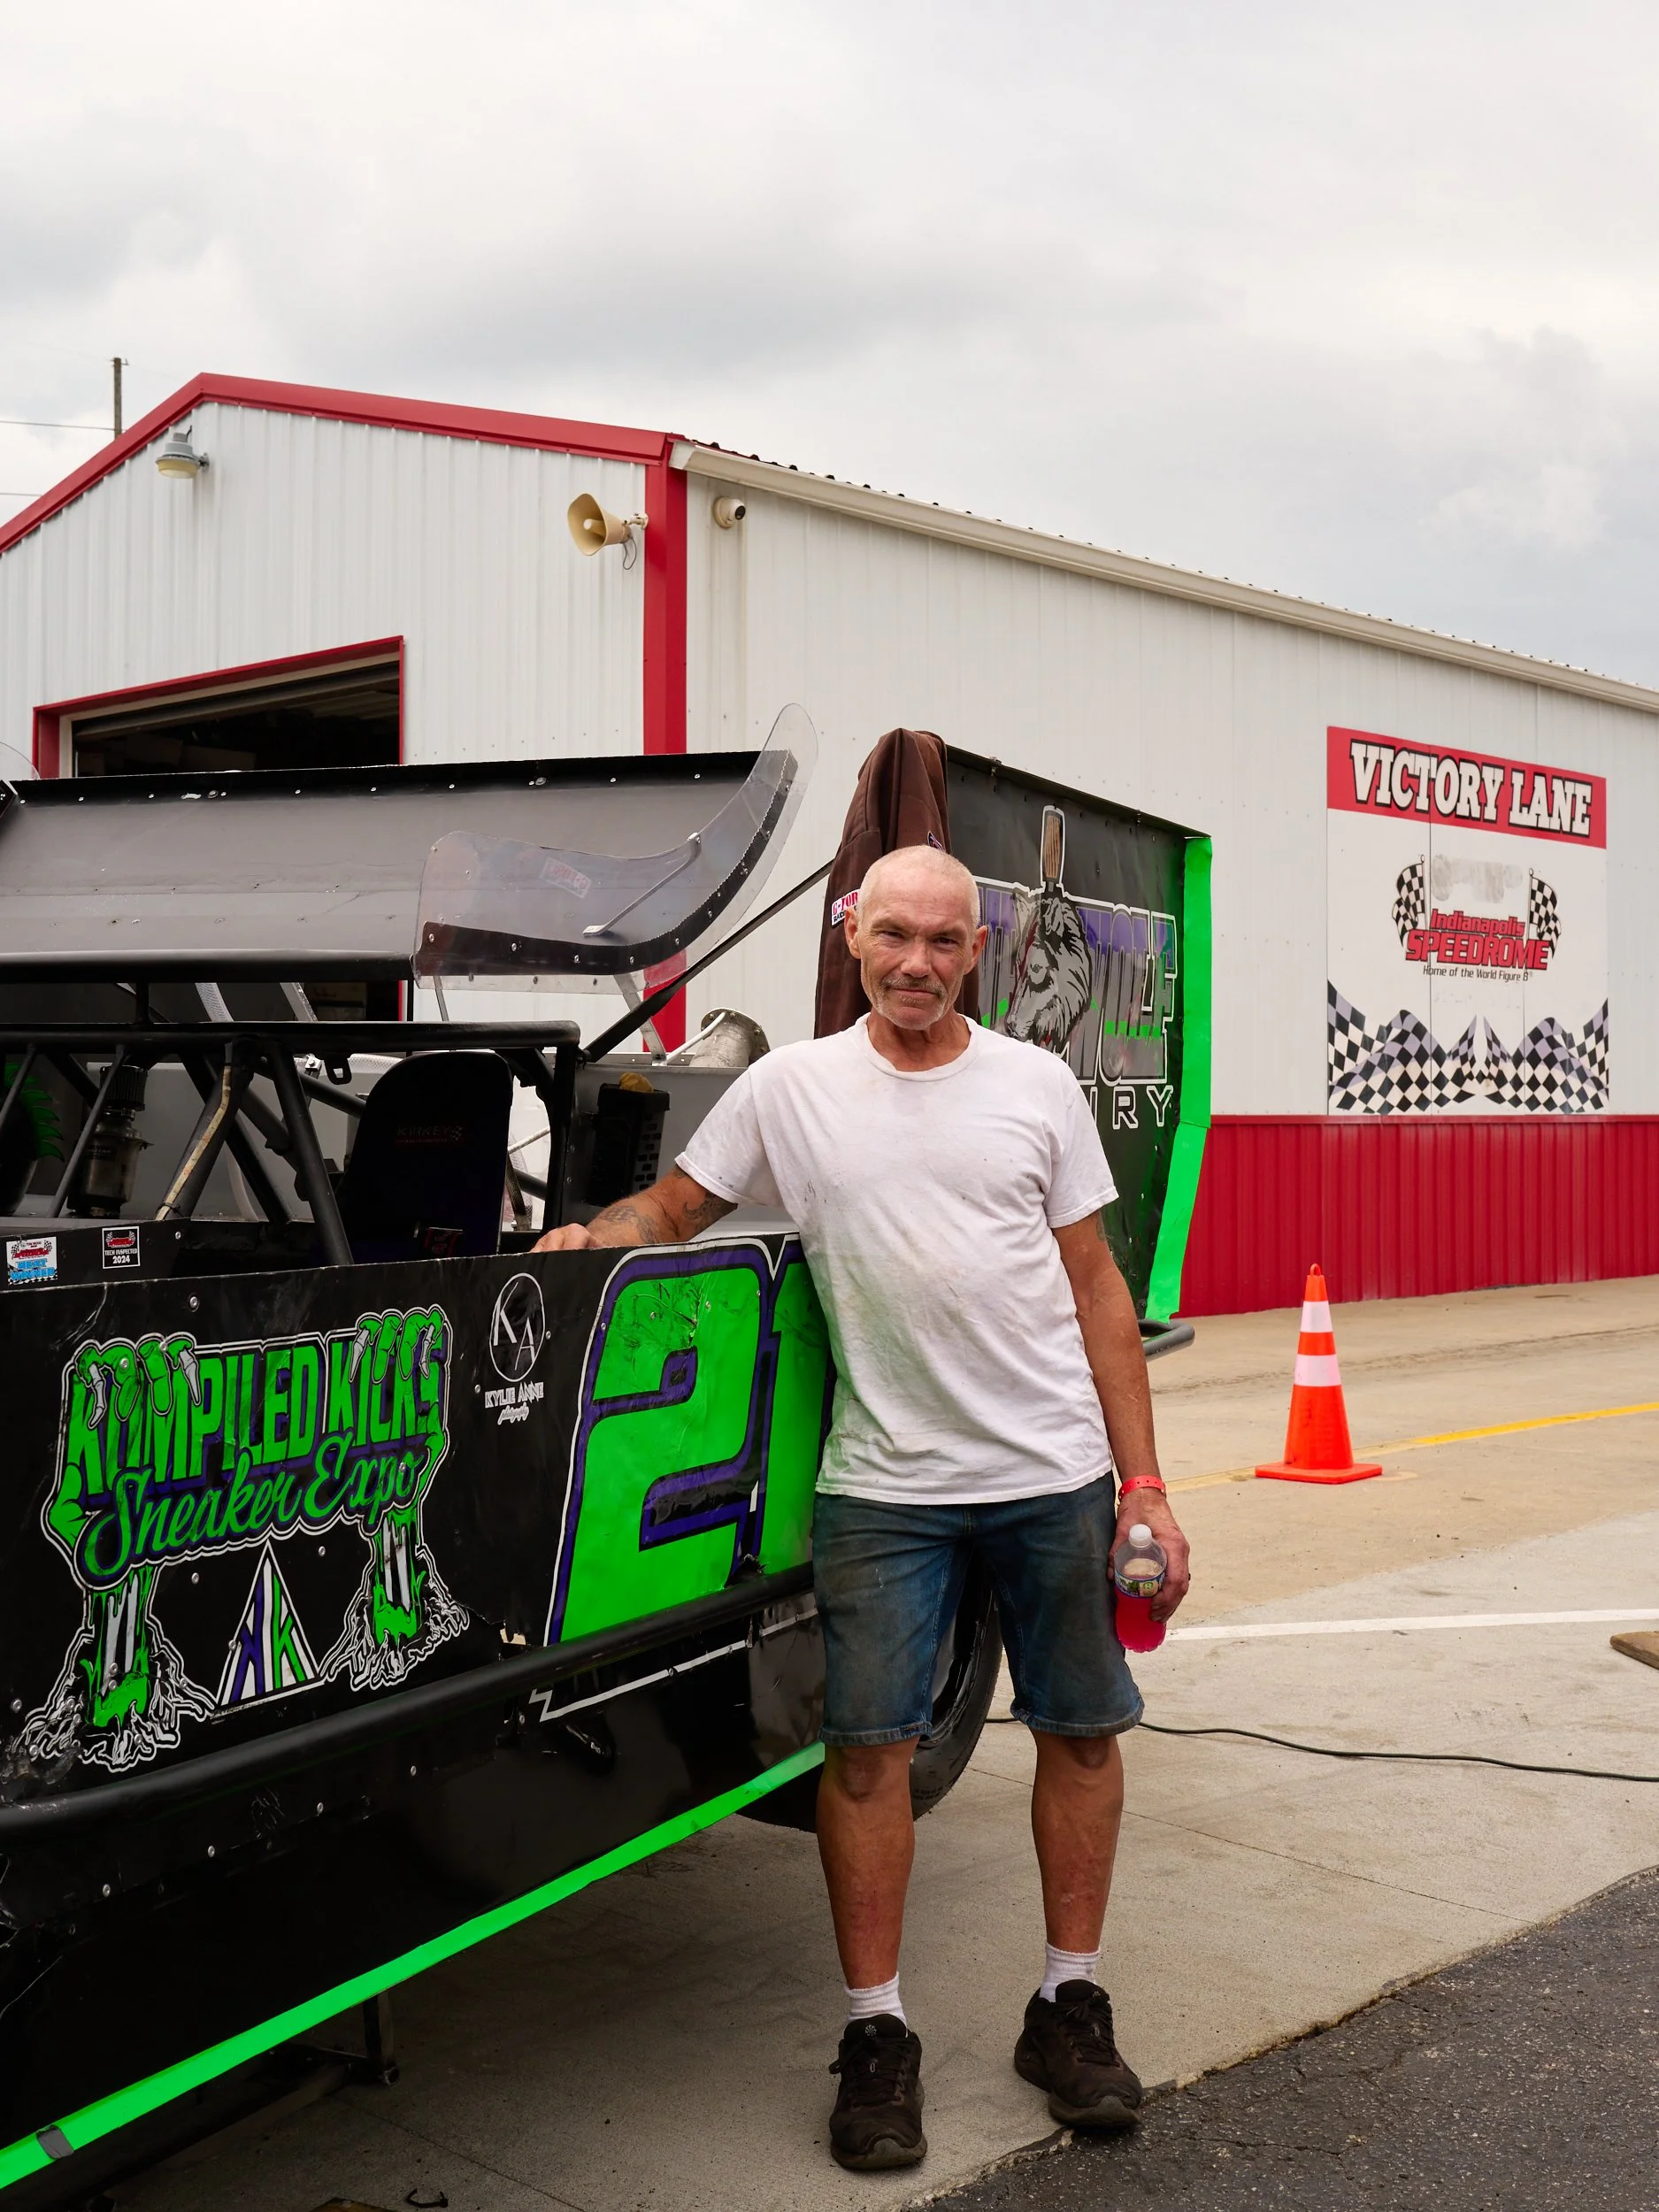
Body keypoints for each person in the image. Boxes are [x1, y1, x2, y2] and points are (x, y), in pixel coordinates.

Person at [534, 844, 1190, 2173]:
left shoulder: (1033, 1085)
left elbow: (1098, 1292)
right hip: (882, 1487)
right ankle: (875, 2033)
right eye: (892, 936)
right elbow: (676, 1201)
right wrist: (590, 1242)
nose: (915, 964)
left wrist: (1146, 1484)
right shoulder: (790, 1089)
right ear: (851, 934)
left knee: (1077, 1733)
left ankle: (1068, 2003)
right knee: (866, 1754)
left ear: (977, 953)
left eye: (943, 943)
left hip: (1050, 1474)